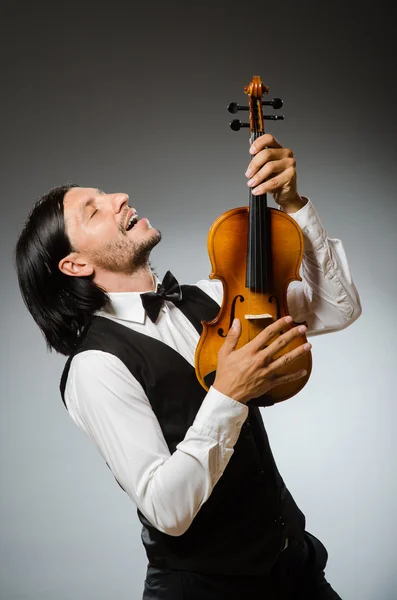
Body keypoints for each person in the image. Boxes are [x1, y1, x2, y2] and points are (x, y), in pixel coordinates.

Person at [15, 133, 361, 599]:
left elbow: (337, 308)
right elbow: (167, 509)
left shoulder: (214, 300)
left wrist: (293, 205)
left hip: (293, 570)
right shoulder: (95, 367)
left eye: (106, 195)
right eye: (94, 210)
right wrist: (229, 395)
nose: (119, 198)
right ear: (75, 264)